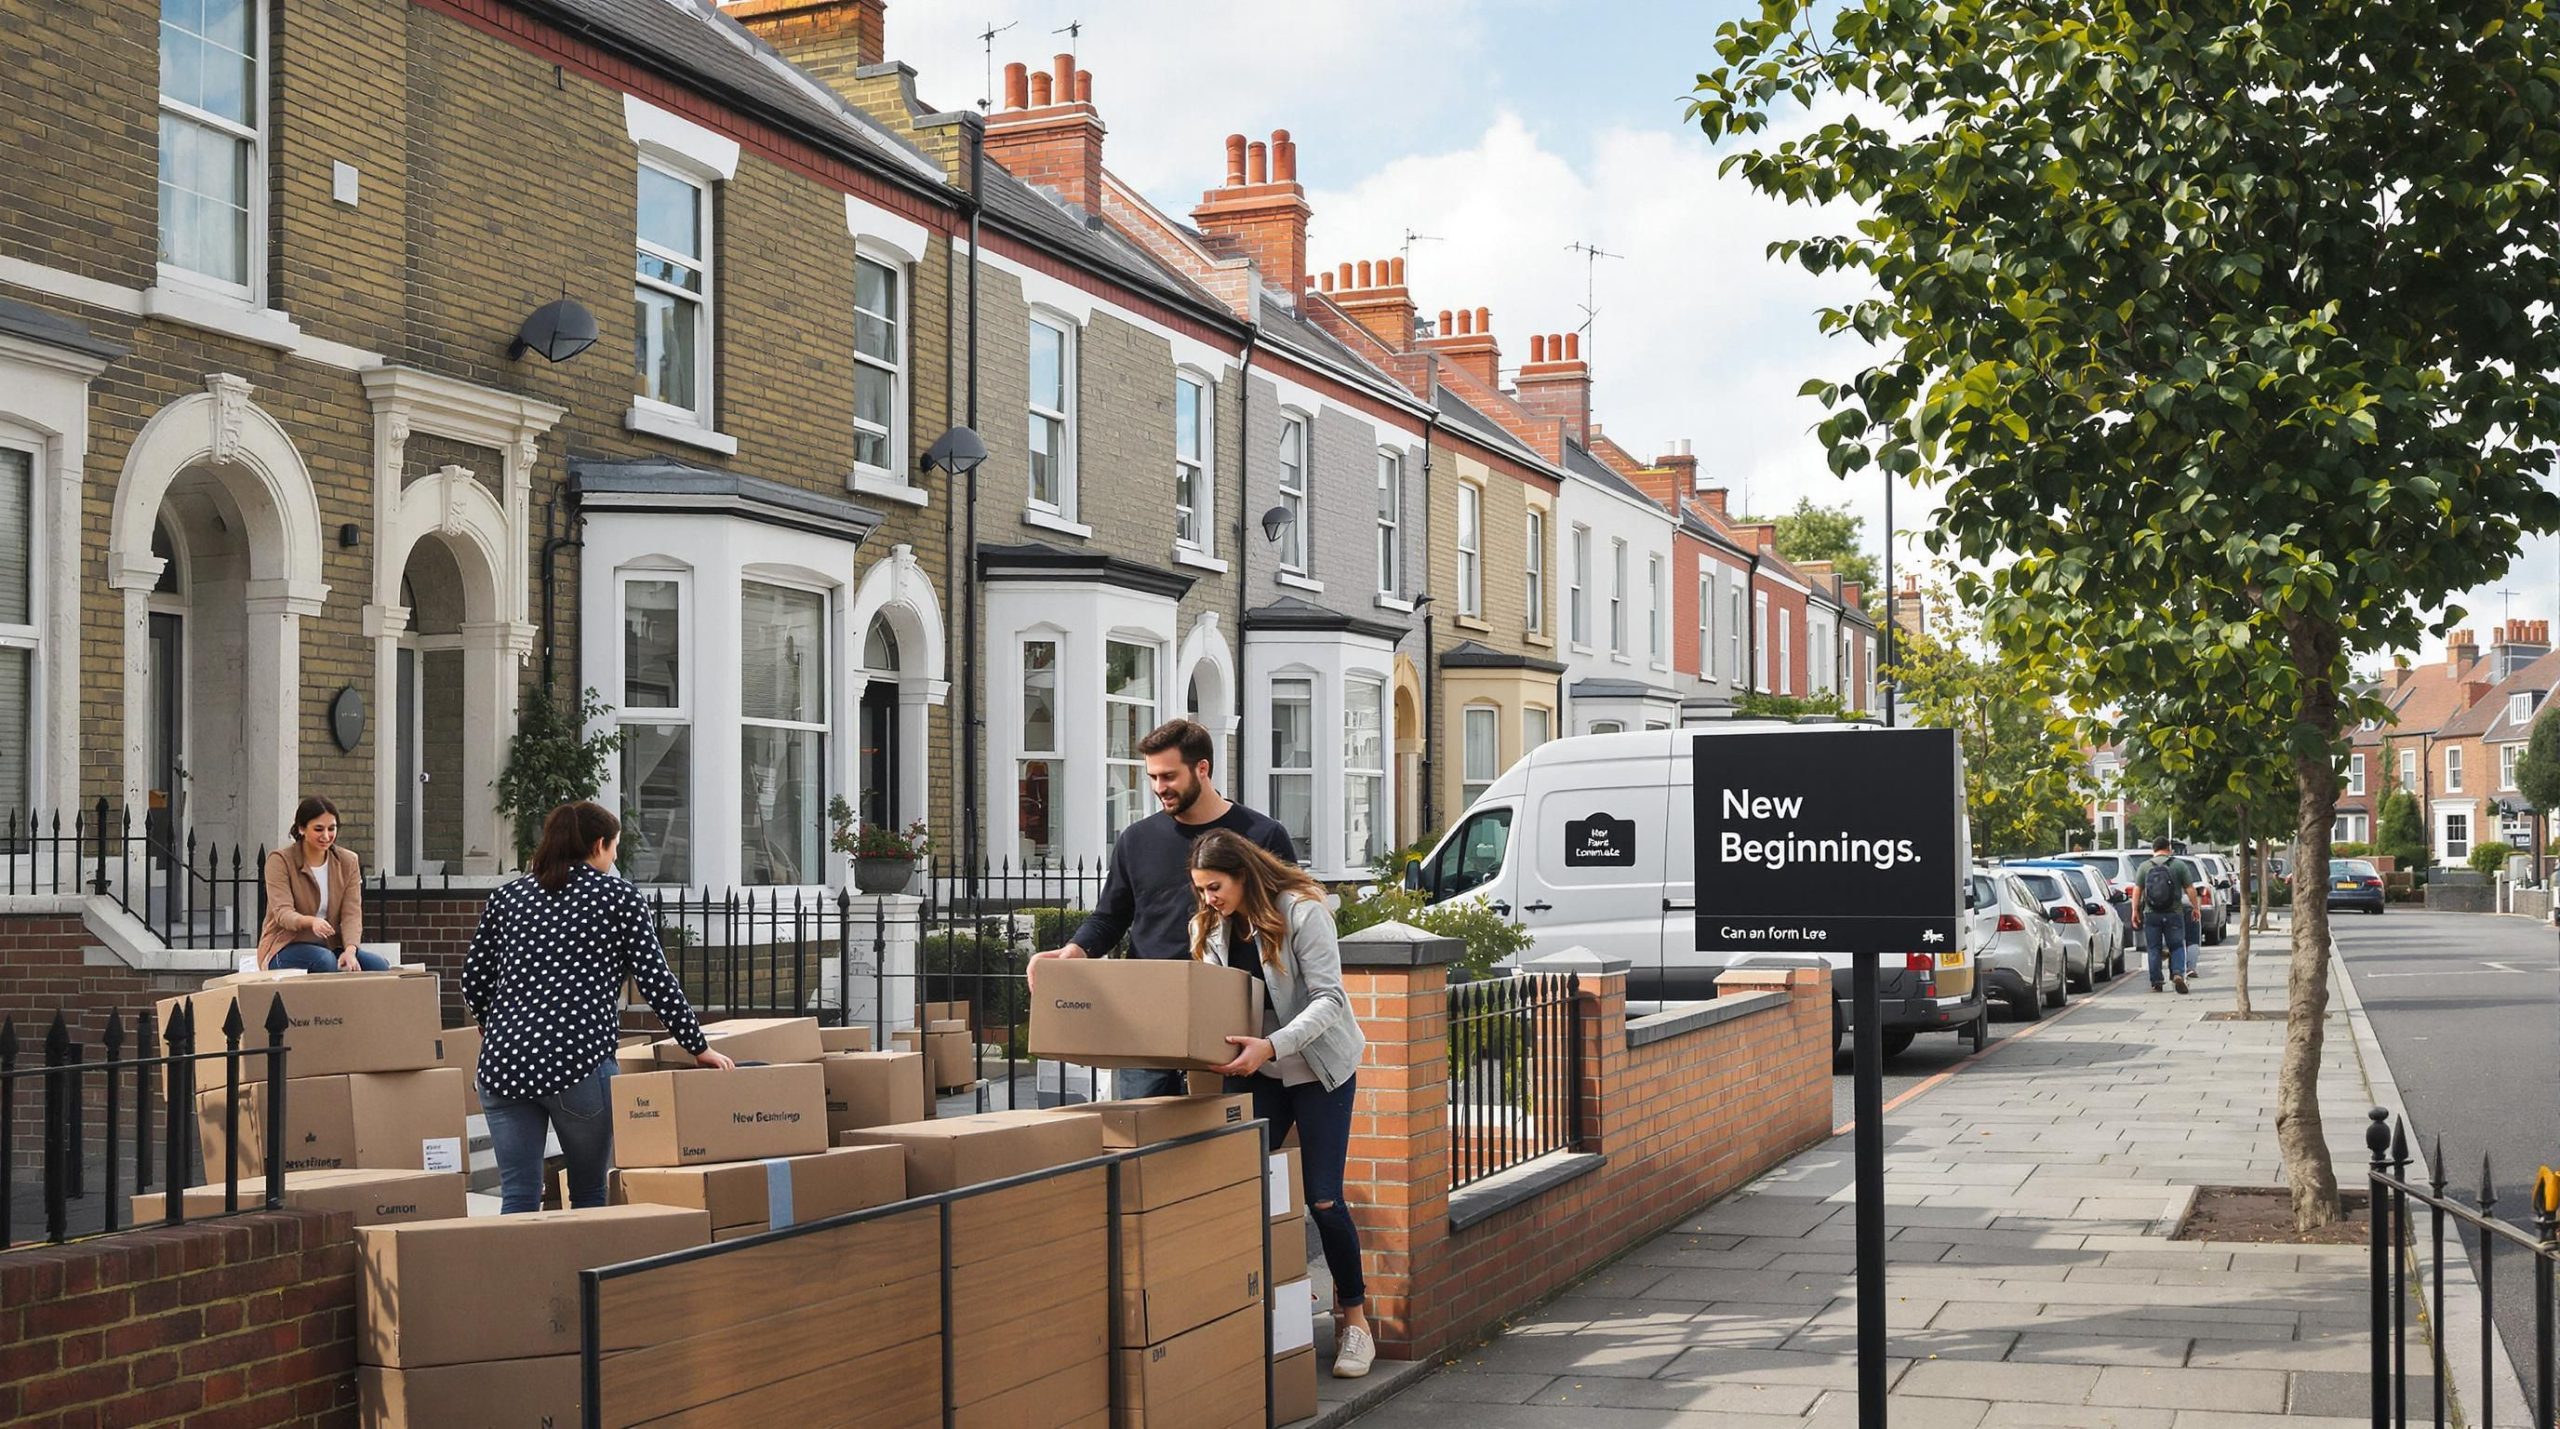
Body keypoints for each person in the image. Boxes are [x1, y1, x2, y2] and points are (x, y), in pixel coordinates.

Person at [463, 801, 733, 1213]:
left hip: (505, 1063)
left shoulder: (508, 897)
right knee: (589, 1193)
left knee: (517, 1194)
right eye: (615, 847)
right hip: (578, 1061)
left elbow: (473, 978)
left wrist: (490, 1021)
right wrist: (698, 1046)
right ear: (599, 845)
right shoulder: (618, 897)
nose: (616, 857)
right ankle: (585, 1278)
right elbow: (656, 981)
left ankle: (513, 1277)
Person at [1188, 829, 1375, 1380]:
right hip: (1256, 1069)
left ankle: (1355, 1321)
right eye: (1200, 889)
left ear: (1243, 874)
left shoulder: (1302, 912)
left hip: (1318, 1067)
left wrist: (1273, 1044)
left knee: (1321, 1198)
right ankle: (1267, 1309)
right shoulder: (1208, 925)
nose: (1208, 899)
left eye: (1215, 887)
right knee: (1244, 1193)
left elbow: (1330, 1000)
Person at [1032, 719, 1296, 1100]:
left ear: (1202, 768)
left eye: (1169, 776)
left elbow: (1285, 923)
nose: (1159, 788)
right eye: (1153, 777)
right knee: (1141, 1147)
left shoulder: (1262, 835)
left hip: (1229, 1016)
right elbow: (1110, 916)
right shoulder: (1136, 840)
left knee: (1224, 1147)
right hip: (1147, 1016)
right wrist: (1075, 950)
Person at [258, 797, 388, 973]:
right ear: (301, 829)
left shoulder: (348, 861)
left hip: (330, 945)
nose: (326, 836)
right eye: (318, 829)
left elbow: (351, 913)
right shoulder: (280, 861)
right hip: (285, 945)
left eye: (331, 829)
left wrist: (350, 950)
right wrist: (311, 922)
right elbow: (282, 913)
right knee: (324, 961)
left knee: (378, 966)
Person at [2131, 837, 2190, 994]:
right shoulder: (2178, 865)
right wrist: (2196, 908)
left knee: (2153, 948)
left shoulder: (2144, 867)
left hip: (2151, 914)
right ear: (2169, 848)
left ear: (2154, 849)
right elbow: (2190, 888)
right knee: (2177, 945)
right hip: (2174, 913)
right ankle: (2177, 973)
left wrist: (2134, 911)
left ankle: (2156, 982)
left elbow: (2137, 891)